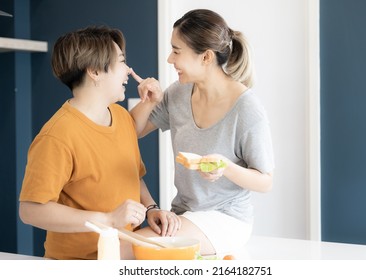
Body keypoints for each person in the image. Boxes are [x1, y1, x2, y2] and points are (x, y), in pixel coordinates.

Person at [18, 26, 179, 260]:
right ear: (94, 71)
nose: (129, 70)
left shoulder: (121, 117)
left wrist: (152, 208)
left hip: (119, 254)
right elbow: (30, 210)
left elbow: (132, 173)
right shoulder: (57, 135)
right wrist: (108, 220)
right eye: (122, 62)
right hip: (77, 264)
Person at [130, 9, 275, 256]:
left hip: (227, 219)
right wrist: (149, 101)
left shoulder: (247, 108)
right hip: (184, 214)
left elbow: (265, 181)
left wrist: (225, 167)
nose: (169, 59)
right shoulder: (178, 93)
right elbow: (133, 131)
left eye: (176, 51)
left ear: (206, 57)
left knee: (128, 247)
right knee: (123, 245)